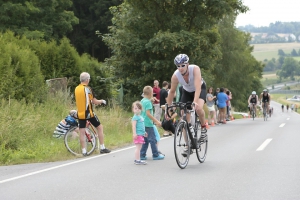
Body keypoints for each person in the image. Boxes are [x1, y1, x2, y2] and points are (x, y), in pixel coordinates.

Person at [166, 54, 207, 134]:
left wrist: (195, 102)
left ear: (188, 64)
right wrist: (168, 106)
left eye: (183, 65)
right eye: (178, 66)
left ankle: (203, 127)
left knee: (198, 109)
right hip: (187, 91)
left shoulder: (195, 69)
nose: (180, 68)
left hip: (199, 89)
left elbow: (198, 87)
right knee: (183, 115)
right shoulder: (175, 76)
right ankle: (188, 143)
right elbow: (172, 91)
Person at [75, 72, 111, 156]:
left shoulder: (76, 88)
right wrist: (102, 101)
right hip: (88, 113)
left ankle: (84, 151)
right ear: (87, 80)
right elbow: (94, 101)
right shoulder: (88, 89)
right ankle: (102, 147)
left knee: (82, 132)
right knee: (100, 127)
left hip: (80, 114)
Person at [140, 86, 165, 160]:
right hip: (148, 124)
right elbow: (148, 114)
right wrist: (156, 121)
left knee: (145, 140)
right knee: (153, 140)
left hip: (143, 124)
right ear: (151, 93)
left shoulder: (142, 101)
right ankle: (155, 154)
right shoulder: (148, 102)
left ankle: (142, 155)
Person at [131, 101, 147, 165]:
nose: (137, 109)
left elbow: (142, 126)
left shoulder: (140, 117)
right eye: (135, 108)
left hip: (141, 134)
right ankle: (137, 160)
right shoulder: (135, 117)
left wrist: (144, 132)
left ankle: (138, 159)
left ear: (141, 109)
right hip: (138, 135)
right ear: (133, 110)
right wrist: (134, 134)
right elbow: (134, 126)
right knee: (138, 148)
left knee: (139, 147)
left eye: (138, 108)